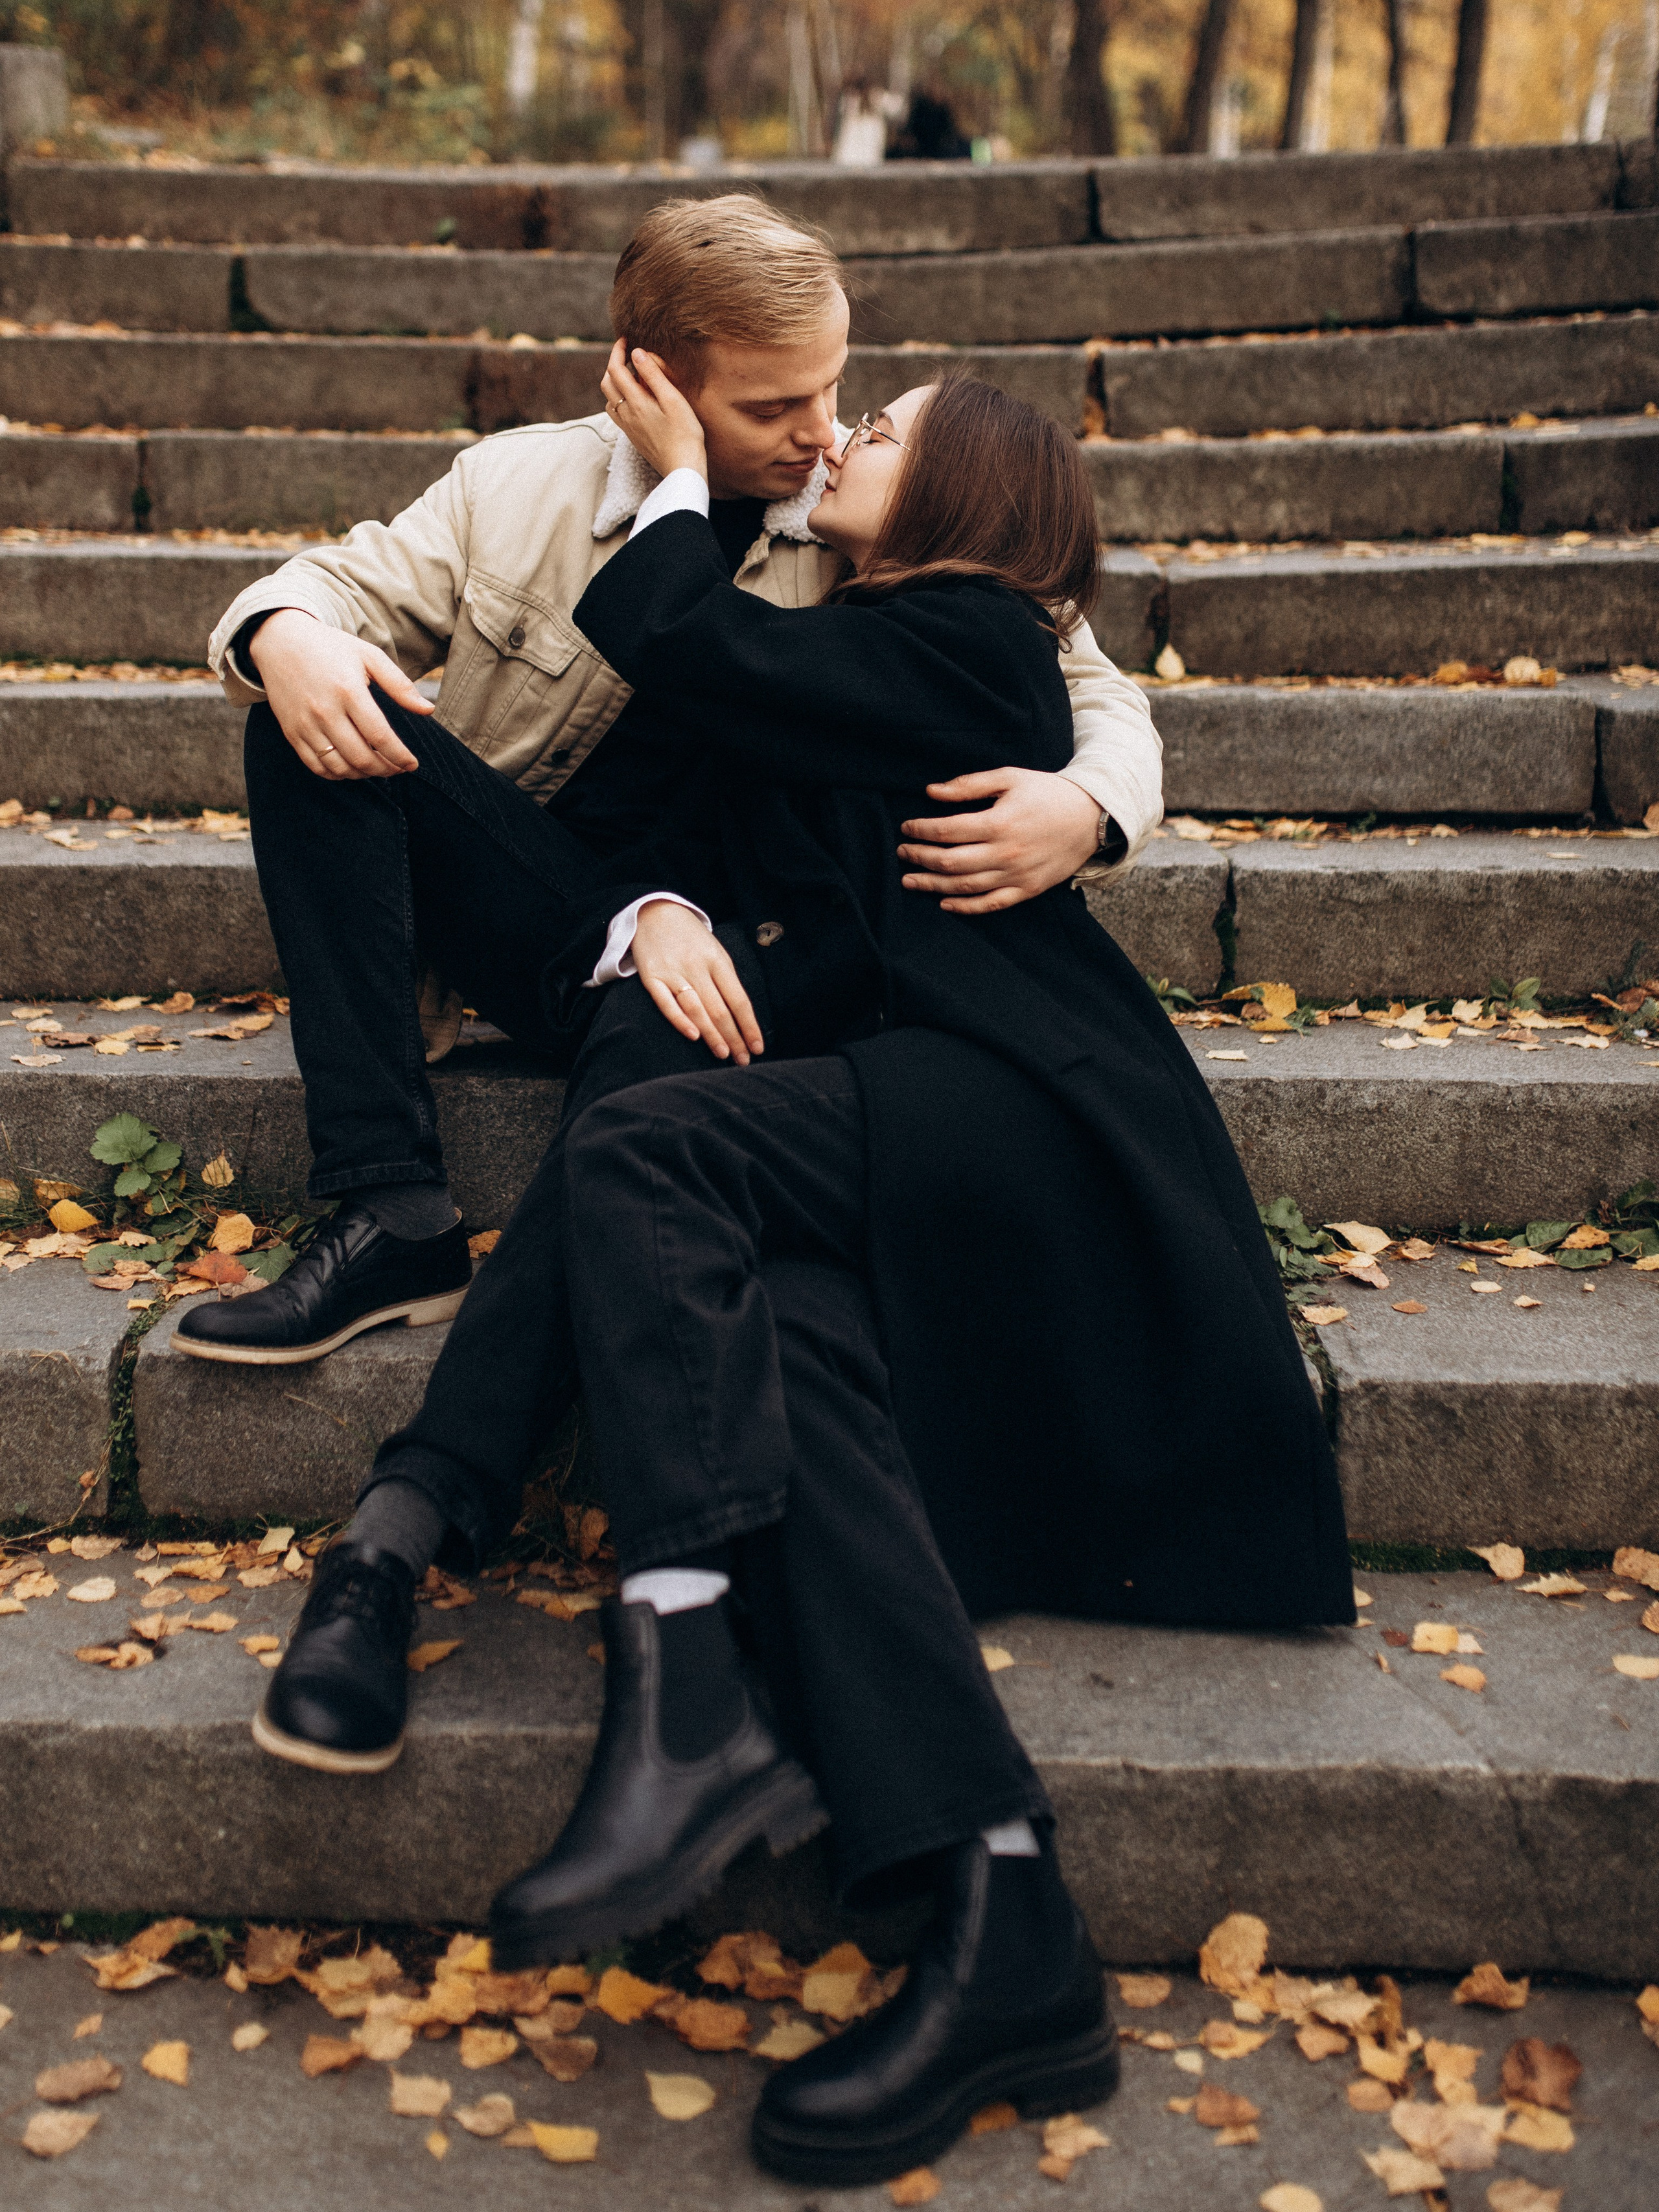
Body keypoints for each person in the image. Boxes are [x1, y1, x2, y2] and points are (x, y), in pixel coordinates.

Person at [277, 364, 1352, 2187]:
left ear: (970, 493)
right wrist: (665, 916)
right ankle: (1011, 1915)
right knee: (793, 1370)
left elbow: (693, 644)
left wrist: (692, 477)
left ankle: (687, 1649)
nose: (847, 439)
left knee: (644, 1145)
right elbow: (745, 811)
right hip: (899, 1125)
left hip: (1028, 1115)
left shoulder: (973, 642)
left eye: (889, 428)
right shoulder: (859, 658)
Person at [180, 192, 1161, 1375]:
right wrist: (284, 635)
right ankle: (388, 1204)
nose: (822, 431)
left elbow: (1079, 674)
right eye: (773, 406)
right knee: (310, 714)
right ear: (654, 385)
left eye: (834, 388)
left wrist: (1091, 806)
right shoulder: (516, 489)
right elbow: (330, 589)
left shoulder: (863, 513)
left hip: (743, 969)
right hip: (549, 916)